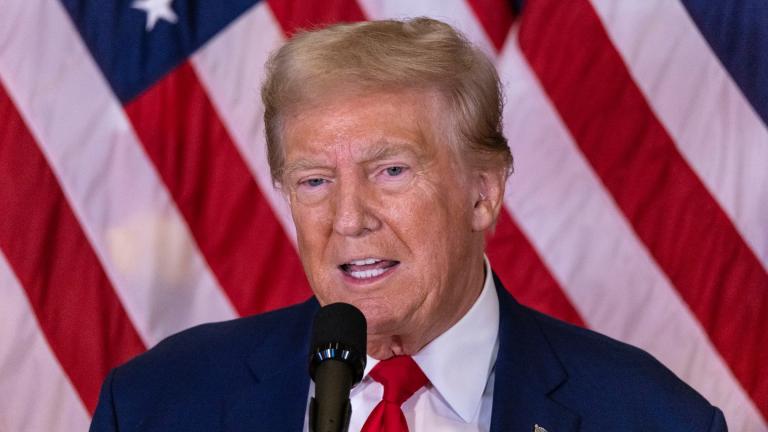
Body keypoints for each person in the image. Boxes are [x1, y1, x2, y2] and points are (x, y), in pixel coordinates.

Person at [90, 18, 727, 432]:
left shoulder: (650, 418)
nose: (348, 218)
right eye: (315, 180)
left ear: (483, 192)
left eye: (391, 171)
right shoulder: (157, 406)